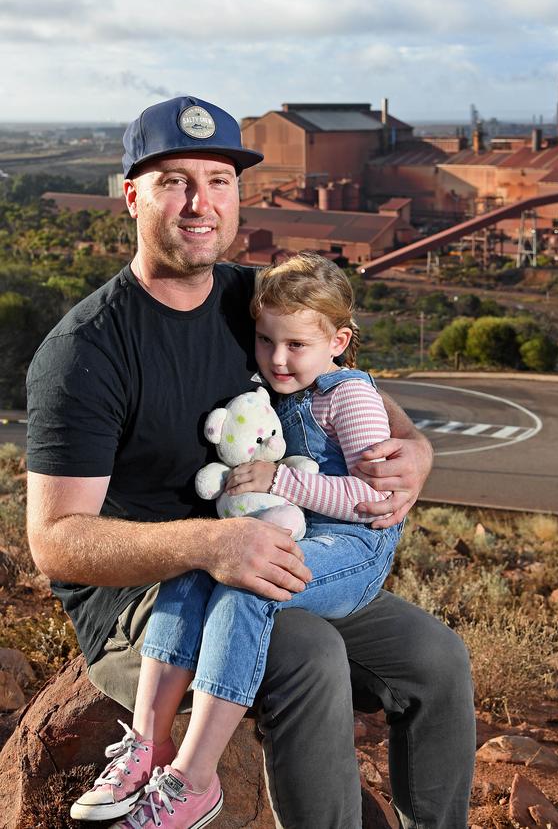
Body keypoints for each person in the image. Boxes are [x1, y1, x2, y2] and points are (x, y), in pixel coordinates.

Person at [26, 95, 475, 829]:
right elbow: (57, 540)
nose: (200, 202)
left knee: (435, 659)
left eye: (219, 180)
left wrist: (416, 449)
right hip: (146, 600)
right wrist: (210, 543)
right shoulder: (88, 352)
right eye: (175, 181)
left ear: (239, 195)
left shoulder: (250, 298)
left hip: (268, 548)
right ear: (132, 195)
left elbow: (340, 376)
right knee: (307, 654)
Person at [72, 251, 406, 827]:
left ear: (338, 340)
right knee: (202, 559)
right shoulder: (280, 383)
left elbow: (371, 501)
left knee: (249, 583)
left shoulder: (350, 397)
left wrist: (282, 480)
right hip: (298, 529)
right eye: (266, 341)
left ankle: (195, 779)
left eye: (296, 346)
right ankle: (147, 745)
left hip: (355, 546)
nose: (278, 359)